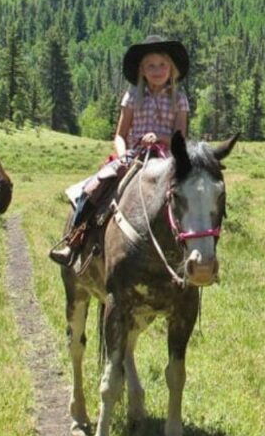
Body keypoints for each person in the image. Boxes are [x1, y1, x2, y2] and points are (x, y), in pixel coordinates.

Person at [49, 35, 190, 265]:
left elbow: (180, 137)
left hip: (167, 157)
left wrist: (161, 138)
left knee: (195, 193)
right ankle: (74, 240)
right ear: (142, 71)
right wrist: (124, 153)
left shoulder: (180, 99)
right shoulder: (132, 96)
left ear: (171, 69)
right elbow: (120, 135)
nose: (157, 70)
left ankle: (196, 253)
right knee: (95, 187)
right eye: (150, 66)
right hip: (134, 155)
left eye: (162, 65)